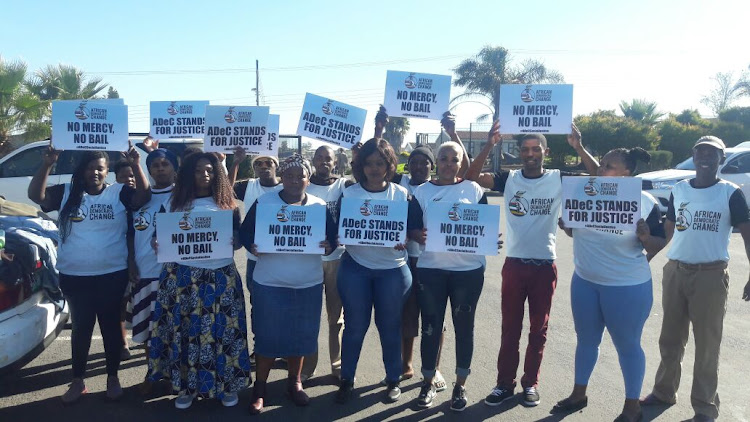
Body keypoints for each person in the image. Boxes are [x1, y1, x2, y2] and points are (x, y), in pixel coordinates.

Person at [465, 122, 598, 408]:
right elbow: (470, 177)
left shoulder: (557, 177)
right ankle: (503, 384)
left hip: (544, 265)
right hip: (514, 264)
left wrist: (579, 147)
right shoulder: (508, 178)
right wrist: (488, 144)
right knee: (510, 329)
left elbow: (598, 176)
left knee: (539, 330)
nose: (530, 154)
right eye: (525, 149)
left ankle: (531, 383)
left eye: (536, 149)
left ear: (545, 152)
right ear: (519, 152)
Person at [28, 145, 151, 404]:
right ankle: (78, 381)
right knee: (81, 328)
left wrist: (137, 164)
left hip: (111, 275)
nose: (94, 172)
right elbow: (36, 196)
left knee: (109, 328)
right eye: (90, 167)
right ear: (82, 170)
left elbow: (143, 197)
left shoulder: (119, 193)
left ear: (107, 172)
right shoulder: (66, 193)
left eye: (100, 168)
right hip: (75, 276)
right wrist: (47, 164)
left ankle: (113, 378)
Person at [640, 136, 750, 422]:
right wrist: (646, 255)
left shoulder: (730, 193)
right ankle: (664, 391)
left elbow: (747, 233)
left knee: (707, 345)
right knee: (670, 339)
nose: (705, 158)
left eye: (712, 154)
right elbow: (668, 231)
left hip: (710, 276)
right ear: (693, 155)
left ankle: (704, 406)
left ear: (721, 159)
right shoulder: (679, 190)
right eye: (700, 152)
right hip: (676, 272)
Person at [552, 148, 667, 422]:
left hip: (626, 286)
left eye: (610, 166)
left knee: (627, 345)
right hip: (586, 281)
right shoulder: (584, 192)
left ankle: (631, 406)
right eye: (602, 164)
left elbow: (659, 243)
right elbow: (574, 230)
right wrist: (567, 226)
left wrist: (645, 237)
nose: (602, 170)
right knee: (586, 340)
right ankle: (579, 393)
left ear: (627, 172)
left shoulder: (644, 201)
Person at [148, 152, 251, 410]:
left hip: (220, 277)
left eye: (209, 170)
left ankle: (226, 386)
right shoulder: (175, 203)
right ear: (188, 174)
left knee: (223, 333)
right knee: (186, 333)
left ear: (217, 174)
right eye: (198, 170)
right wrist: (156, 242)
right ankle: (186, 388)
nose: (204, 175)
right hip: (183, 278)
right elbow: (158, 236)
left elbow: (237, 239)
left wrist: (236, 241)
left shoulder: (227, 204)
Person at [240, 154, 338, 414]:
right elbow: (245, 233)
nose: (295, 180)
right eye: (290, 176)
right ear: (281, 177)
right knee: (267, 336)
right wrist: (252, 245)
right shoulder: (264, 202)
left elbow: (332, 239)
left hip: (308, 283)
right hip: (270, 282)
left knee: (302, 336)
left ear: (308, 179)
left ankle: (294, 382)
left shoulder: (319, 206)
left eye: (301, 176)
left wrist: (329, 246)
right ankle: (260, 387)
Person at [407, 141, 490, 411]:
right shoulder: (421, 192)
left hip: (468, 272)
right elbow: (413, 228)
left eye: (454, 159)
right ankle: (427, 382)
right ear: (436, 162)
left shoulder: (474, 189)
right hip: (431, 271)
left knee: (465, 329)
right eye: (443, 158)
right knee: (430, 328)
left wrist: (490, 239)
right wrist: (417, 234)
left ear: (460, 163)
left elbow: (484, 225)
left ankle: (460, 384)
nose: (448, 164)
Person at [335, 138, 412, 404]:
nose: (375, 168)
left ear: (390, 165)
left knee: (389, 327)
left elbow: (411, 230)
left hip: (392, 270)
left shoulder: (400, 194)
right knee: (355, 327)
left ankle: (393, 379)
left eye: (380, 163)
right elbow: (336, 228)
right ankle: (347, 379)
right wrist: (337, 236)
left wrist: (407, 239)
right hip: (355, 268)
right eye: (369, 163)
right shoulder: (349, 193)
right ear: (361, 166)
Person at [126, 148, 178, 393]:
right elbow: (128, 233)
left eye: (165, 163)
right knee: (147, 332)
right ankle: (154, 372)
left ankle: (176, 373)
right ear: (148, 169)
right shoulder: (139, 199)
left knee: (174, 330)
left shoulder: (183, 196)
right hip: (144, 273)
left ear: (174, 167)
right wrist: (130, 262)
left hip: (174, 275)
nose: (160, 168)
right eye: (155, 164)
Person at [300, 145, 353, 382]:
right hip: (307, 260)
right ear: (313, 161)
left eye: (328, 159)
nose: (323, 162)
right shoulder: (302, 186)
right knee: (309, 315)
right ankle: (308, 365)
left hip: (336, 260)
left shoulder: (345, 187)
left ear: (335, 162)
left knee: (336, 317)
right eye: (319, 158)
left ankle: (337, 364)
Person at [114, 160, 137, 361]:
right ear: (116, 179)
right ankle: (122, 342)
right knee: (121, 302)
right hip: (120, 257)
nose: (129, 179)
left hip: (144, 257)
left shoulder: (143, 197)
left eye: (132, 175)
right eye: (124, 176)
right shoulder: (114, 198)